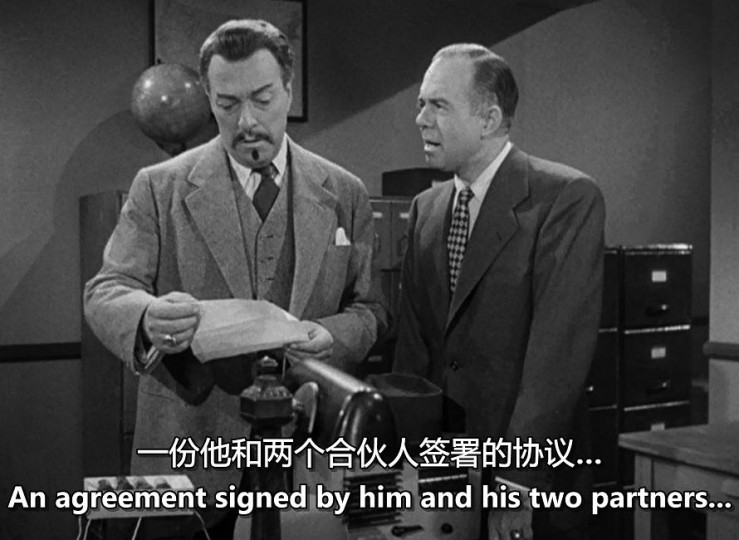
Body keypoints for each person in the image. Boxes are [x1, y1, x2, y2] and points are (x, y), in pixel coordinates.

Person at [84, 19, 385, 539]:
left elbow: (371, 309)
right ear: (208, 98)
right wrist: (148, 317)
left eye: (262, 99)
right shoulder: (159, 187)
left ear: (288, 90)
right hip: (188, 455)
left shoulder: (345, 191)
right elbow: (105, 291)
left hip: (304, 463)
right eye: (227, 104)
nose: (247, 121)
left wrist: (330, 335)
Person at [393, 43, 605, 540]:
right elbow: (414, 352)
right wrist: (404, 464)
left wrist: (517, 482)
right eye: (421, 104)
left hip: (526, 481)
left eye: (438, 105)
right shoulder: (426, 209)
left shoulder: (566, 199)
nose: (421, 119)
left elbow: (556, 360)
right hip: (442, 479)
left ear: (488, 119)